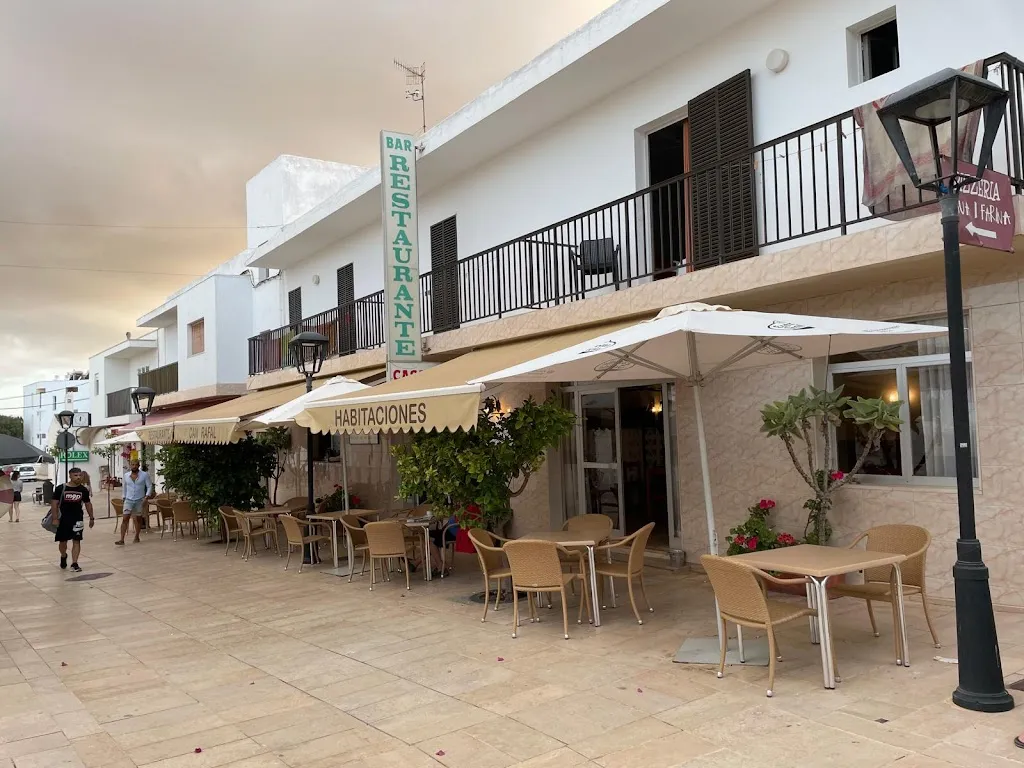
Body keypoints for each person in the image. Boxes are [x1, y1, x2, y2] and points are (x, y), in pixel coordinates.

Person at [51, 468, 94, 572]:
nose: (78, 477)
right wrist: (55, 518)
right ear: (70, 476)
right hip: (63, 519)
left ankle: (75, 563)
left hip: (77, 519)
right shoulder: (61, 488)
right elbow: (54, 503)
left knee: (77, 540)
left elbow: (88, 504)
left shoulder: (83, 490)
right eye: (75, 475)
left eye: (80, 475)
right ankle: (63, 555)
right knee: (63, 542)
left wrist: (91, 517)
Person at [116, 459, 153, 545]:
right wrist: (124, 497)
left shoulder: (144, 475)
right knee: (125, 518)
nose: (134, 466)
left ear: (138, 465)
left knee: (138, 519)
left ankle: (137, 536)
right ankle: (121, 539)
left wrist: (146, 497)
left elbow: (149, 486)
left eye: (136, 465)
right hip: (128, 499)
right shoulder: (126, 475)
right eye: (132, 464)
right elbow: (124, 487)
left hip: (139, 500)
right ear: (130, 465)